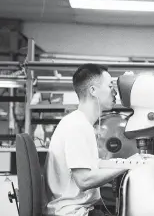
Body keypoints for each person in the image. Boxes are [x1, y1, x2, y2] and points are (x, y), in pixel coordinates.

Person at [44, 64, 127, 216]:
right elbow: (84, 180)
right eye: (110, 86)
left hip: (79, 209)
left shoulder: (80, 123)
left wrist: (120, 163)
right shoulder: (77, 125)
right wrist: (128, 165)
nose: (115, 92)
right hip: (73, 213)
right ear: (93, 91)